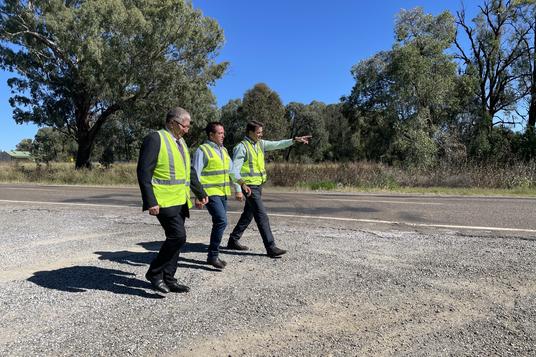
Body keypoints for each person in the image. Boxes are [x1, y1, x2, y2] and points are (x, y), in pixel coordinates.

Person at [137, 107, 208, 294]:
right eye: (185, 125)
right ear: (172, 123)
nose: (187, 129)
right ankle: (154, 273)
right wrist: (150, 200)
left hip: (180, 199)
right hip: (163, 200)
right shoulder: (155, 139)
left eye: (188, 125)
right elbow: (144, 172)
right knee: (178, 236)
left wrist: (200, 192)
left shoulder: (181, 142)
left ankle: (169, 278)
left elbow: (189, 171)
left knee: (176, 240)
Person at [226, 120, 311, 257]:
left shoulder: (260, 144)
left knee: (249, 214)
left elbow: (277, 144)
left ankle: (233, 240)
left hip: (258, 185)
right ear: (250, 132)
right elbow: (233, 170)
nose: (261, 134)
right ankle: (271, 247)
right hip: (248, 187)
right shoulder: (241, 147)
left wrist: (294, 140)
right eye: (258, 132)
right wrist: (238, 188)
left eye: (261, 132)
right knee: (261, 215)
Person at [192, 122, 242, 269]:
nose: (223, 136)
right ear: (211, 135)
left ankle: (213, 255)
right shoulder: (203, 150)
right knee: (221, 221)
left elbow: (232, 171)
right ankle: (213, 256)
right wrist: (198, 195)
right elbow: (195, 173)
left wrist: (240, 185)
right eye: (220, 133)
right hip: (209, 193)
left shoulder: (224, 150)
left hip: (222, 193)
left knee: (220, 222)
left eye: (223, 133)